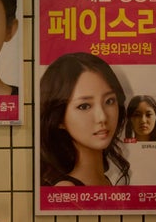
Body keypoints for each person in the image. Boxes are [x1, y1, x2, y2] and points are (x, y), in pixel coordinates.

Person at [40, 52, 130, 186]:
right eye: (84, 106)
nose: (102, 117)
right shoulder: (67, 189)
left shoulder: (104, 181)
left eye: (109, 101)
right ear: (59, 119)